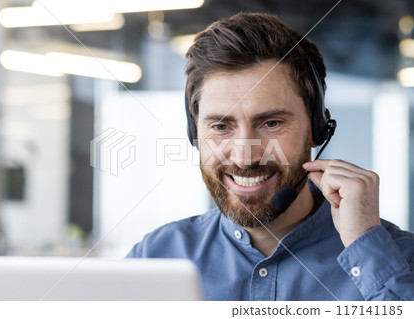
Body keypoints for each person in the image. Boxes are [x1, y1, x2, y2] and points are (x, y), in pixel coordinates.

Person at [127, 12, 414, 301]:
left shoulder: (400, 260)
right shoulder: (155, 258)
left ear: (317, 128)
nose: (244, 157)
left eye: (271, 123)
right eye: (220, 126)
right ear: (195, 133)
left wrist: (365, 248)